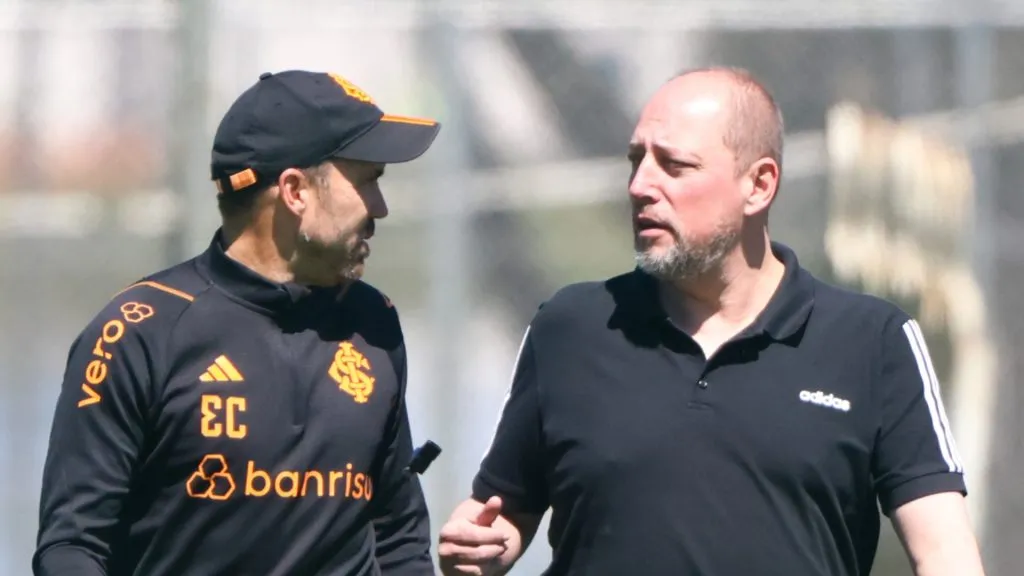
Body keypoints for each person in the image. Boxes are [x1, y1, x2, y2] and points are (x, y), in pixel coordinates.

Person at [437, 67, 987, 576]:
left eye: (674, 165)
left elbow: (945, 552)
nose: (641, 185)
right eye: (636, 160)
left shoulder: (874, 341)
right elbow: (505, 511)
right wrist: (483, 543)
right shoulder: (570, 327)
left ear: (759, 185)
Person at [34, 69, 441, 576]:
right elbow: (72, 547)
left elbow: (398, 538)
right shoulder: (137, 331)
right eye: (366, 181)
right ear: (295, 191)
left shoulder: (372, 321)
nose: (380, 207)